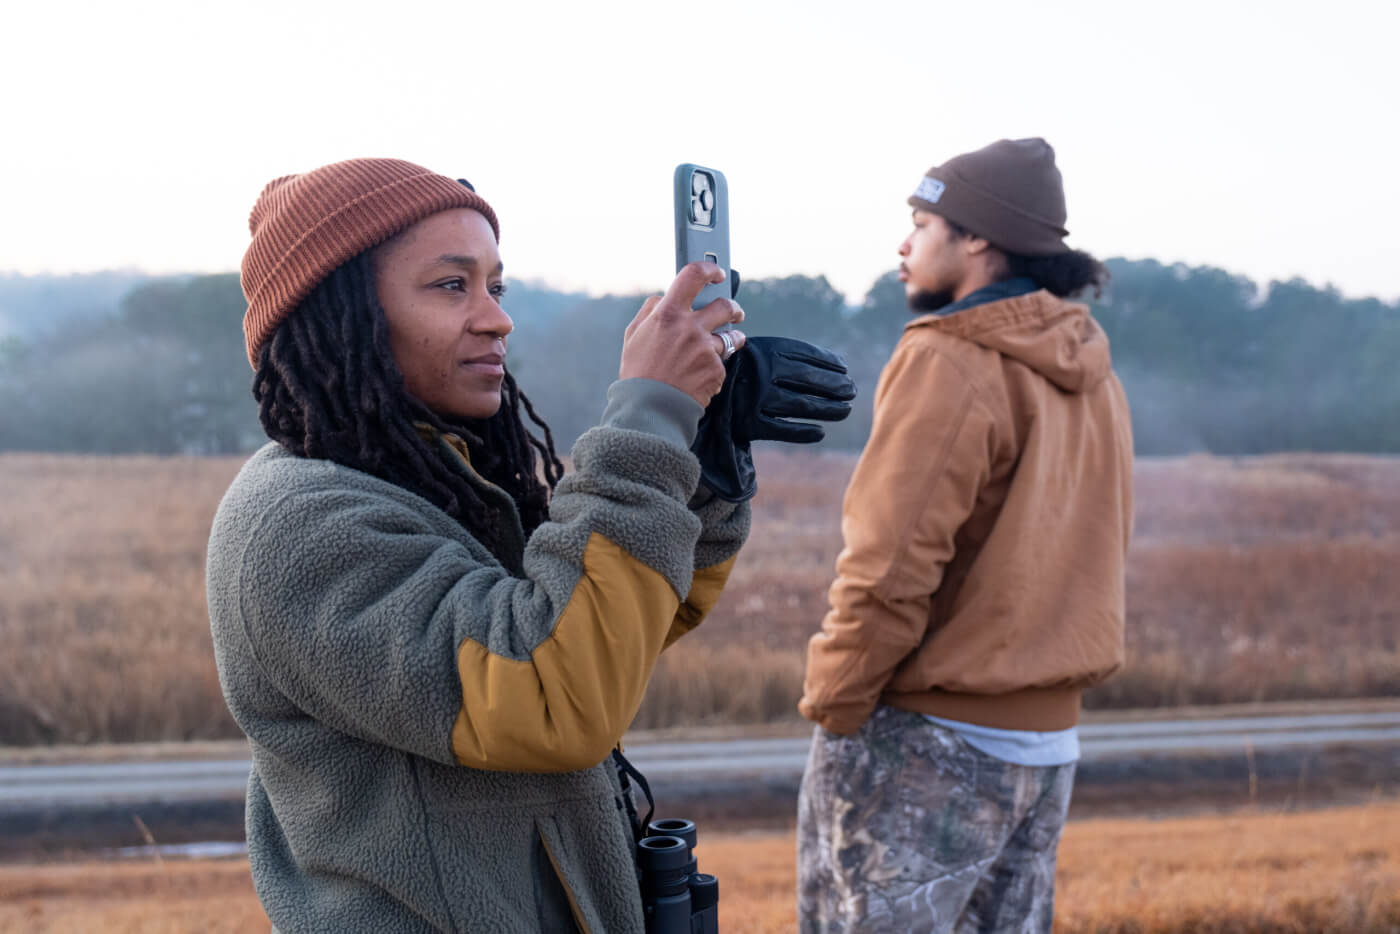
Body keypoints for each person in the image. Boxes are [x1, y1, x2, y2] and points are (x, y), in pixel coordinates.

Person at [207, 158, 849, 932]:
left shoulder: (442, 483)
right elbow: (555, 694)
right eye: (452, 285)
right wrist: (648, 418)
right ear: (339, 315)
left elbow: (615, 634)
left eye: (496, 287)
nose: (496, 319)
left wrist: (705, 457)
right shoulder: (299, 526)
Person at [796, 138, 1135, 933]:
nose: (903, 245)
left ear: (978, 236)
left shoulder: (947, 359)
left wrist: (835, 703)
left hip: (927, 740)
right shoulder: (1094, 371)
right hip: (1048, 746)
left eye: (922, 224)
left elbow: (889, 563)